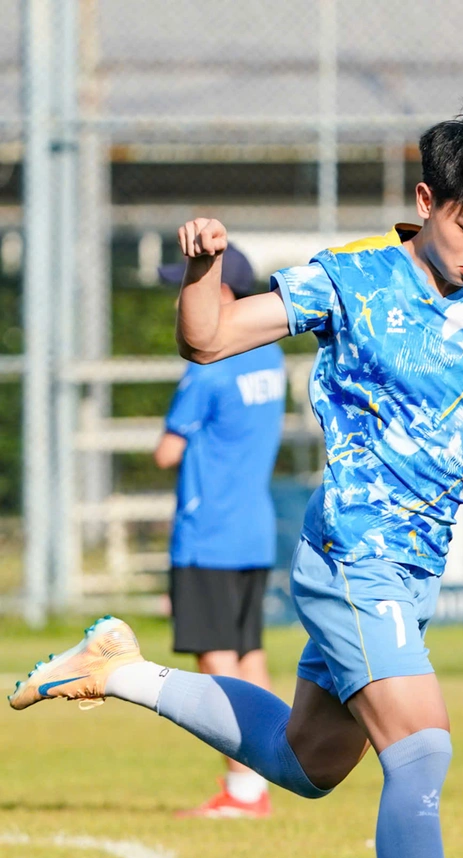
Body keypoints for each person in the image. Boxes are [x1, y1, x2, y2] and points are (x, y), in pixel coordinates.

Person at [10, 100, 463, 858]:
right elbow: (209, 338)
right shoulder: (352, 278)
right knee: (422, 750)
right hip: (353, 553)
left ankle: (117, 671)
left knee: (307, 763)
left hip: (414, 570)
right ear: (426, 201)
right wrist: (201, 272)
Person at [155, 245, 286, 817]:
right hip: (253, 529)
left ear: (222, 293)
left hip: (208, 532)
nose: (180, 300)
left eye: (190, 286)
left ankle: (244, 788)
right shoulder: (269, 357)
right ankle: (267, 774)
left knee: (216, 661)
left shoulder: (208, 366)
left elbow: (167, 451)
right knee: (249, 655)